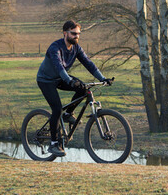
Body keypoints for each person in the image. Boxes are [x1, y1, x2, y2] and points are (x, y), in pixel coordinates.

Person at [36, 20, 113, 157]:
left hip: (60, 78)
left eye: (78, 34)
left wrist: (102, 78)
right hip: (46, 80)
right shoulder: (55, 47)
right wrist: (69, 81)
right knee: (57, 109)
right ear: (65, 33)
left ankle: (68, 114)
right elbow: (59, 66)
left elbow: (89, 63)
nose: (76, 36)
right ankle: (53, 144)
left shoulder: (76, 48)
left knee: (84, 89)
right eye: (73, 33)